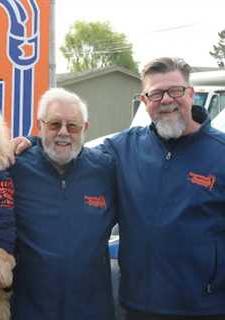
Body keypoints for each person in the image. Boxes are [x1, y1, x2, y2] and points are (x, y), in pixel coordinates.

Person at [101, 57, 225, 319]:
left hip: (206, 308)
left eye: (175, 90)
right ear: (145, 102)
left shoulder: (221, 153)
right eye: (156, 93)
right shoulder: (123, 149)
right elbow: (70, 150)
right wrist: (28, 144)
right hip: (138, 306)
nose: (166, 99)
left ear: (190, 94)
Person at [10, 88, 117, 320]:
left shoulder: (106, 169)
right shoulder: (15, 166)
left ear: (85, 129)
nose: (63, 133)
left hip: (92, 310)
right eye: (54, 124)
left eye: (73, 126)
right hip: (30, 310)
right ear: (40, 126)